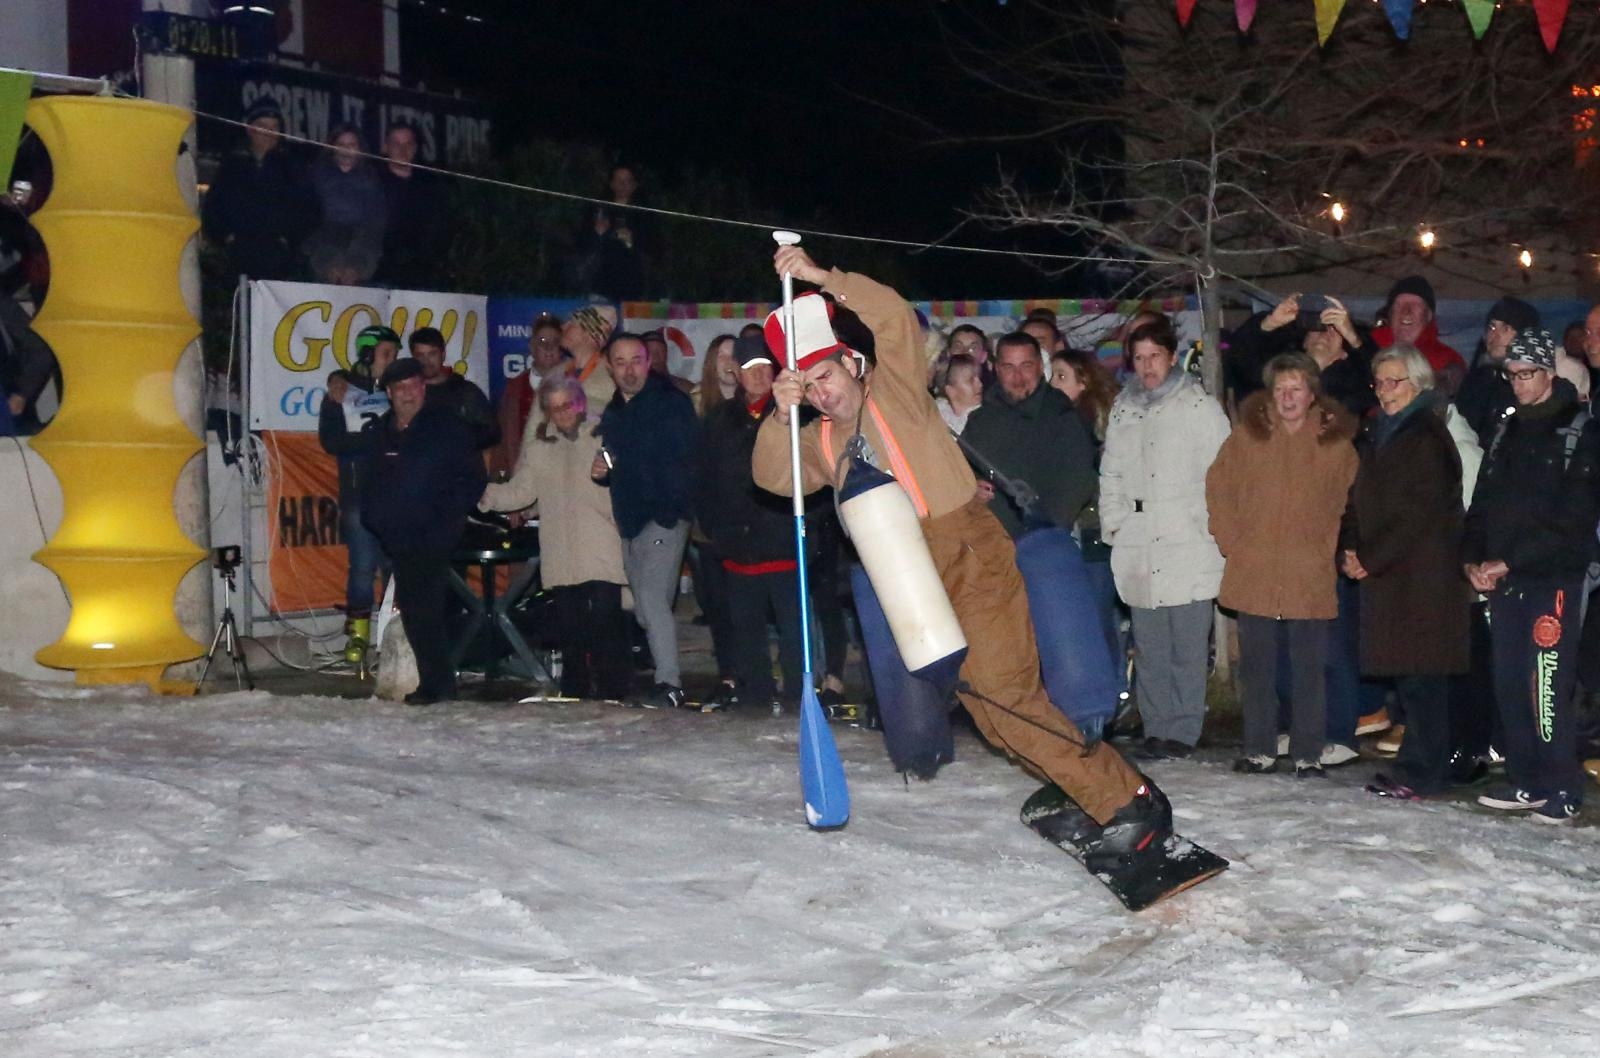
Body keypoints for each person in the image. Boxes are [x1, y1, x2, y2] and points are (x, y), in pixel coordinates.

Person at [751, 246, 1176, 892]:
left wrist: (822, 278)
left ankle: (1129, 802)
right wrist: (779, 414)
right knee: (990, 710)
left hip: (969, 553)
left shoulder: (894, 389)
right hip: (911, 580)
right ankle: (1088, 788)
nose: (821, 391)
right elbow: (771, 476)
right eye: (808, 386)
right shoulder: (817, 440)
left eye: (826, 375)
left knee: (1008, 694)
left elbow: (894, 317)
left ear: (852, 364)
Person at [961, 331, 1124, 746]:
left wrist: (1045, 529)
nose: (1018, 377)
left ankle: (1084, 723)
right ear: (995, 369)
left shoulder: (1062, 417)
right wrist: (969, 490)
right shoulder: (980, 423)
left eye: (1027, 366)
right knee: (1012, 641)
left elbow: (1079, 478)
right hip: (997, 554)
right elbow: (960, 478)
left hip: (1053, 552)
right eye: (1008, 367)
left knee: (1067, 638)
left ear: (1041, 367)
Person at [1464, 329, 1600, 823]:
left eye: (1527, 374)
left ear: (1548, 372)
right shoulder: (1506, 430)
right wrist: (1471, 560)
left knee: (1547, 686)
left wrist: (1512, 561)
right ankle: (1527, 780)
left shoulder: (1580, 431)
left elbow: (1574, 521)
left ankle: (1562, 783)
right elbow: (1481, 505)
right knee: (1508, 682)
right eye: (1512, 375)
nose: (1519, 384)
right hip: (1506, 582)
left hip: (1554, 579)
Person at [1207, 353, 1359, 777]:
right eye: (1280, 389)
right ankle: (1259, 748)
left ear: (1312, 395)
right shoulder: (1247, 436)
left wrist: (1331, 547)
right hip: (1254, 568)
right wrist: (1231, 540)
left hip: (1309, 571)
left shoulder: (1335, 444)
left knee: (1309, 669)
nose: (1288, 397)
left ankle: (1307, 751)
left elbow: (1351, 504)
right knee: (1257, 668)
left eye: (1296, 389)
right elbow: (1218, 487)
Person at [1341, 347, 1472, 799]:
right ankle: (1414, 768)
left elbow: (1419, 514)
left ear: (1418, 384)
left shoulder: (1426, 437)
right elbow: (1357, 500)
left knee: (1424, 681)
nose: (1385, 391)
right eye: (1379, 382)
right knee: (1411, 680)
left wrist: (1370, 557)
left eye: (1394, 381)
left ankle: (1423, 773)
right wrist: (1350, 548)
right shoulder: (1379, 433)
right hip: (1394, 576)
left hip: (1423, 580)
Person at [1100, 317, 1230, 757]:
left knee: (1187, 644)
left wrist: (1208, 525)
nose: (1147, 366)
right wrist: (1116, 522)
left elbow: (1222, 473)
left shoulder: (1198, 407)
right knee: (1150, 644)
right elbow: (1111, 472)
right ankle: (1156, 725)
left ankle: (1184, 729)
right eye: (1139, 358)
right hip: (1139, 541)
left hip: (1187, 538)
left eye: (1155, 356)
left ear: (1172, 357)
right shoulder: (1124, 408)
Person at [481, 375, 630, 701]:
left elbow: (624, 477)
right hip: (560, 549)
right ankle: (575, 690)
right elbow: (522, 491)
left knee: (606, 622)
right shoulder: (539, 448)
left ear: (580, 403)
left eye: (568, 405)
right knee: (570, 626)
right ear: (546, 411)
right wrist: (484, 495)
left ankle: (613, 690)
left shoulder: (605, 435)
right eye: (554, 407)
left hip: (601, 544)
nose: (562, 413)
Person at [360, 359, 487, 705]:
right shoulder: (381, 432)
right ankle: (434, 683)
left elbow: (473, 477)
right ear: (389, 393)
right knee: (414, 610)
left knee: (428, 609)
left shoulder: (447, 427)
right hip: (398, 537)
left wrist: (449, 516)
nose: (408, 393)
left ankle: (439, 685)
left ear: (423, 388)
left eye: (414, 385)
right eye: (400, 387)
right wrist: (378, 520)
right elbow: (368, 485)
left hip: (436, 535)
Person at [697, 337, 808, 712]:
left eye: (765, 366)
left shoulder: (796, 414)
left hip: (783, 541)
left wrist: (807, 529)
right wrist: (715, 528)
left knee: (794, 629)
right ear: (735, 372)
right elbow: (704, 478)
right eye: (749, 368)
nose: (759, 375)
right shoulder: (718, 420)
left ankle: (799, 695)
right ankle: (755, 695)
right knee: (746, 628)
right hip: (738, 544)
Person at [592, 332, 699, 709]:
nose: (629, 370)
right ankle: (665, 676)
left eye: (636, 360)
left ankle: (669, 683)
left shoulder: (670, 403)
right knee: (645, 608)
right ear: (609, 367)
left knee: (651, 600)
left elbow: (688, 460)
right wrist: (603, 470)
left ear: (648, 362)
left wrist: (671, 511)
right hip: (630, 519)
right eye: (620, 362)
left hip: (662, 517)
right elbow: (615, 459)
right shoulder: (615, 411)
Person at [319, 325, 401, 661]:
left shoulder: (398, 389)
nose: (392, 360)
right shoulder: (340, 391)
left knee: (396, 567)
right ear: (368, 354)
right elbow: (330, 440)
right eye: (386, 354)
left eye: (394, 354)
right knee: (363, 567)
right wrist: (374, 441)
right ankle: (358, 636)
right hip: (358, 494)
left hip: (394, 495)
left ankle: (394, 635)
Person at [201, 98, 310, 281]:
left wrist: (288, 239)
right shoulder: (232, 165)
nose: (269, 133)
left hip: (281, 261)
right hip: (238, 258)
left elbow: (309, 209)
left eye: (274, 127)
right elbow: (213, 208)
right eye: (263, 126)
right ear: (250, 129)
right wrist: (226, 237)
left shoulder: (292, 167)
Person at [691, 332, 741, 708]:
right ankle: (727, 675)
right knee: (718, 605)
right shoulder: (696, 404)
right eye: (720, 355)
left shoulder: (755, 403)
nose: (727, 361)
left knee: (745, 604)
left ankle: (749, 672)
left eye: (733, 355)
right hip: (707, 524)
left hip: (744, 523)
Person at [1225, 293, 1375, 418]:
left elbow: (1380, 376)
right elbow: (1240, 360)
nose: (1325, 333)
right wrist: (1270, 323)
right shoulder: (1278, 376)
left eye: (1335, 329)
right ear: (1305, 342)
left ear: (1344, 353)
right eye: (1318, 327)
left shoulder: (1355, 388)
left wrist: (1353, 338)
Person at [303, 124, 387, 286]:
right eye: (341, 144)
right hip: (323, 250)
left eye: (352, 144)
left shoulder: (373, 179)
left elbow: (375, 224)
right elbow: (308, 220)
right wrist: (327, 264)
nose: (346, 149)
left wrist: (357, 267)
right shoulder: (316, 176)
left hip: (361, 248)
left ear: (360, 148)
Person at [1456, 296, 1539, 448]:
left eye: (1506, 328)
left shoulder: (1536, 385)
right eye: (1492, 327)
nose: (1495, 336)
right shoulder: (1475, 380)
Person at [492, 312, 567, 479]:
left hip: (562, 479)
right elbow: (502, 440)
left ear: (562, 348)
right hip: (522, 477)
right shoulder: (514, 388)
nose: (549, 348)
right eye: (542, 342)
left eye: (555, 342)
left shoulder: (574, 387)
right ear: (532, 347)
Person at [375, 122, 449, 290]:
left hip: (422, 274)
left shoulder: (430, 184)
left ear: (415, 148)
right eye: (396, 144)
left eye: (408, 144)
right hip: (380, 273)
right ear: (386, 147)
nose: (402, 150)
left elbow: (439, 227)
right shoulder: (373, 182)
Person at [569, 163, 656, 302]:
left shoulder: (644, 213)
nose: (623, 185)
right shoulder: (598, 209)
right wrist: (597, 233)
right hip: (600, 285)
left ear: (634, 185)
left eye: (627, 181)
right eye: (618, 180)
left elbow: (654, 248)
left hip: (632, 287)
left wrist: (632, 240)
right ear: (611, 184)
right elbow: (580, 243)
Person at [1371, 276, 1466, 397]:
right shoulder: (1367, 350)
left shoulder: (1448, 361)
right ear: (1390, 313)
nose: (1406, 311)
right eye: (1399, 305)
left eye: (1415, 305)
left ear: (1428, 315)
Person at [409, 326, 498, 450]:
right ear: (413, 358)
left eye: (432, 354)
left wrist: (457, 440)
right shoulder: (407, 394)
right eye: (420, 355)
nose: (426, 361)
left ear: (443, 354)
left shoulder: (466, 392)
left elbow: (492, 432)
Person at [563, 304, 619, 412]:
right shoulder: (557, 373)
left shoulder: (610, 380)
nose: (564, 327)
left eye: (573, 324)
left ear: (590, 335)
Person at [933, 352, 982, 434]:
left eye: (979, 378)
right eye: (970, 380)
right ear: (951, 391)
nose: (980, 384)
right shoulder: (936, 414)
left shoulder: (985, 418)